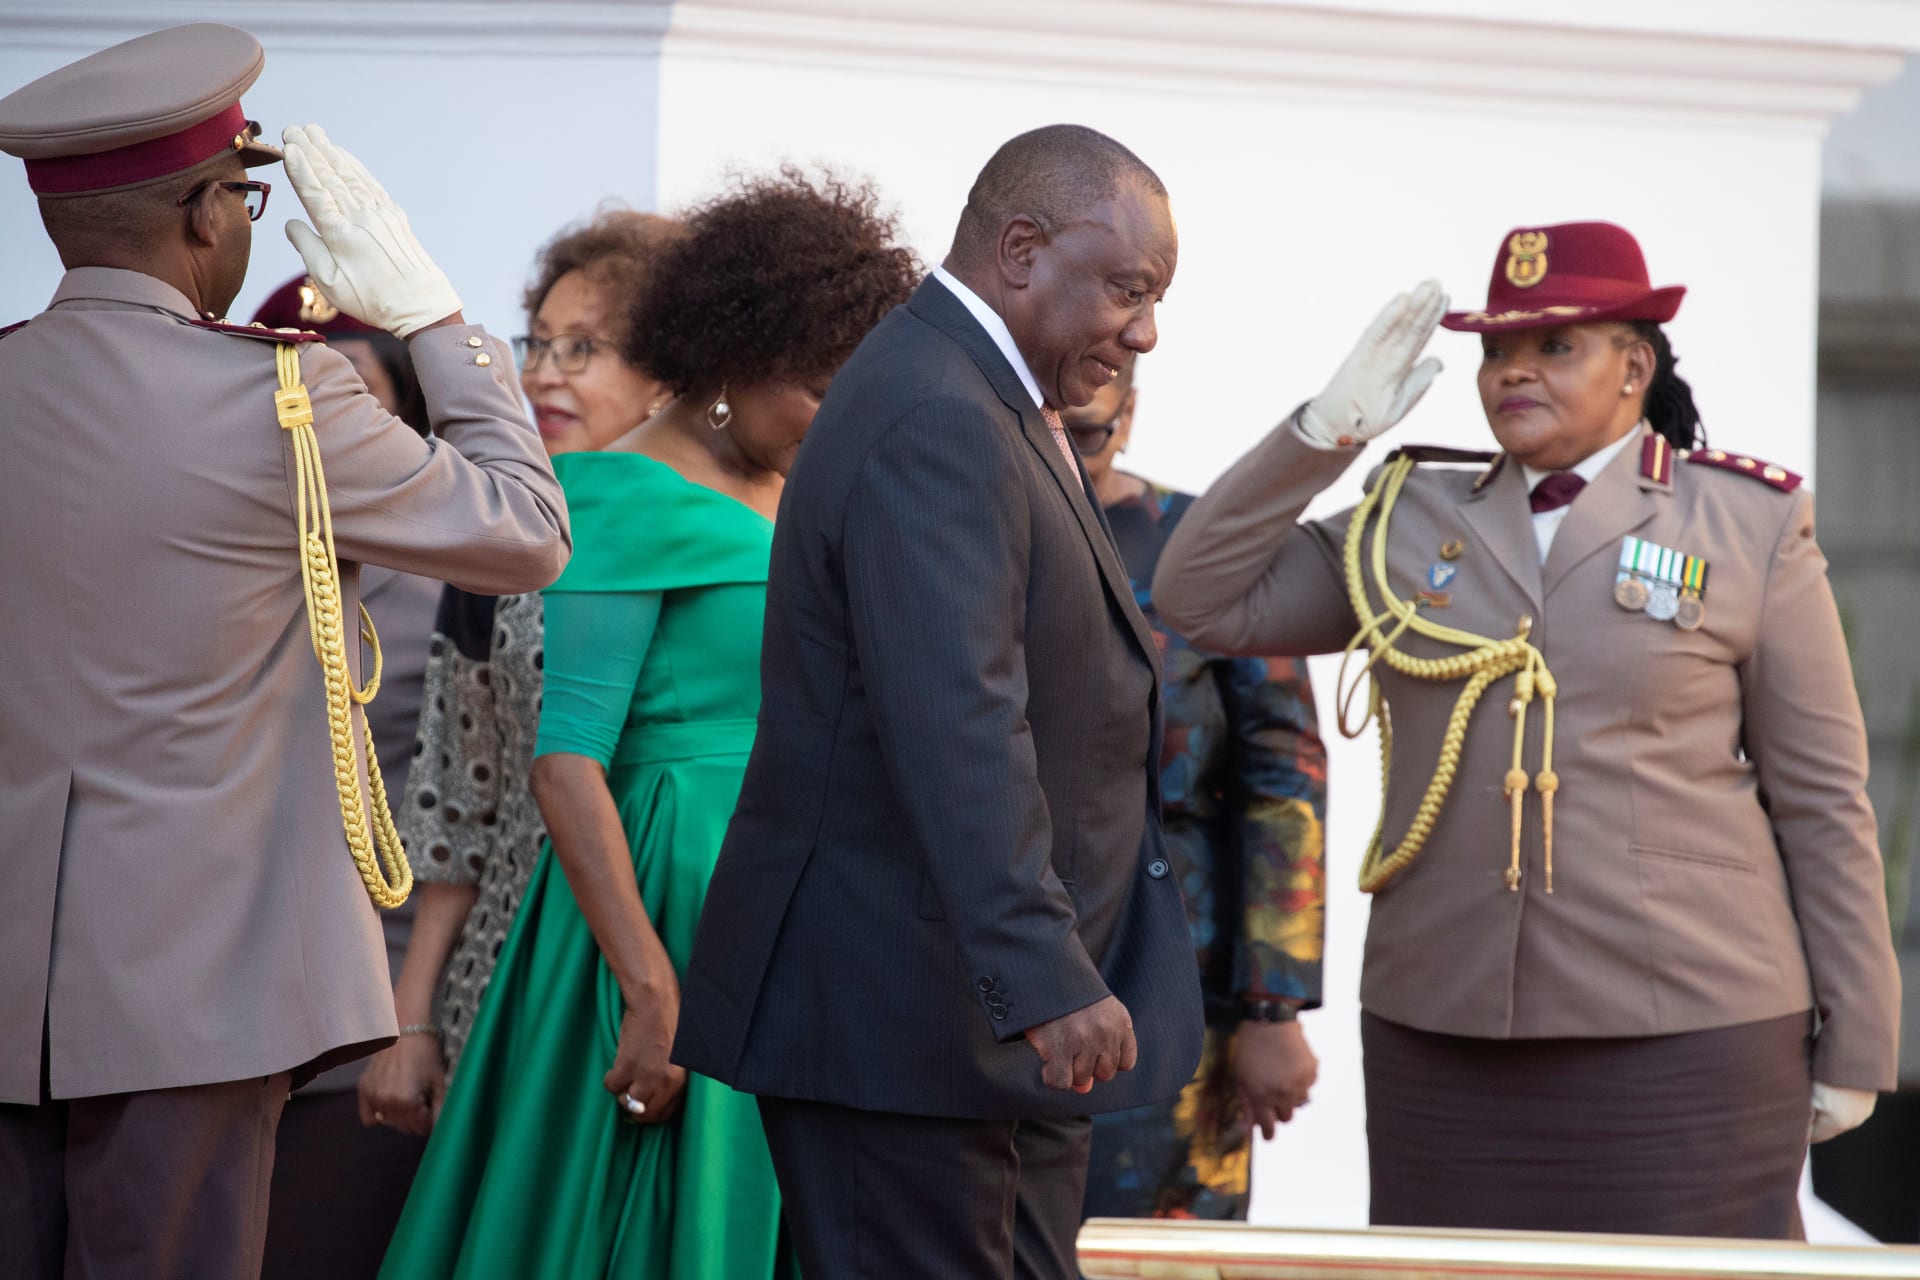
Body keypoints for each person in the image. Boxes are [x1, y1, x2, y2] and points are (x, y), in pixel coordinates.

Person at [1151, 222, 1901, 1238]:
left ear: (1634, 366)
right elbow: (1198, 597)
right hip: (1448, 1026)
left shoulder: (1746, 523)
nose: (1514, 370)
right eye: (1497, 349)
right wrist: (1324, 433)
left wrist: (1859, 1036)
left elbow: (1822, 799)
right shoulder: (1407, 516)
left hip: (1692, 1022)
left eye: (1555, 345)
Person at [0, 23, 569, 1280]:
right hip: (199, 998)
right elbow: (527, 529)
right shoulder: (283, 402)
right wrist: (439, 322)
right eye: (244, 202)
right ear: (208, 213)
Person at [674, 125, 1205, 1279]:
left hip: (976, 1029)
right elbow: (957, 721)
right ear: (1021, 248)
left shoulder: (975, 394)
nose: (1145, 331)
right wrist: (1045, 973)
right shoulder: (938, 411)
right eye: (1128, 288)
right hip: (909, 1020)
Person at [379, 168, 919, 1280]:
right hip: (666, 898)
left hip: (790, 900)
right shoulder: (619, 492)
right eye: (820, 390)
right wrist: (653, 989)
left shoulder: (797, 482)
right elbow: (565, 764)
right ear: (734, 357)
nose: (838, 417)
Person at [356, 210, 682, 1148]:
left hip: (681, 954)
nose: (541, 374)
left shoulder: (731, 542)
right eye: (537, 343)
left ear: (670, 372)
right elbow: (458, 802)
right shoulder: (500, 543)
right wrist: (411, 1019)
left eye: (583, 348)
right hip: (514, 967)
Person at [1063, 358, 1327, 1223]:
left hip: (1174, 989)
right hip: (976, 983)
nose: (1058, 457)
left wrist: (1274, 1006)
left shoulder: (1202, 551)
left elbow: (1284, 779)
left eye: (1085, 432)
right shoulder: (952, 538)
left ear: (1130, 412)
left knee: (1155, 1254)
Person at [243, 275, 445, 1279]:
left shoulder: (464, 576)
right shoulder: (215, 558)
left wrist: (412, 1019)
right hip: (212, 1022)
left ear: (403, 409)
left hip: (371, 1026)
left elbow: (470, 817)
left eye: (349, 390)